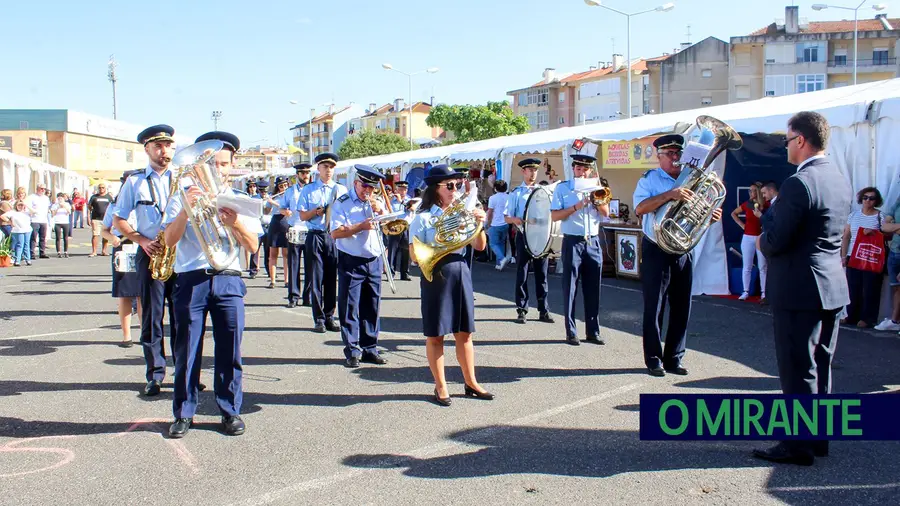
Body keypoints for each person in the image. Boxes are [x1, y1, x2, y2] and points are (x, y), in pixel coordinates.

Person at [753, 111, 851, 466]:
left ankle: (797, 445)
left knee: (797, 368)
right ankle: (817, 438)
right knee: (820, 365)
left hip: (799, 287)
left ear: (801, 141)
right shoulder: (839, 178)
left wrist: (764, 236)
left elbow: (777, 240)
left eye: (787, 139)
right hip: (831, 286)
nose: (785, 146)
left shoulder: (799, 182)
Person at [162, 131, 258, 439]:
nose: (217, 169)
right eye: (211, 163)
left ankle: (229, 410)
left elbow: (253, 246)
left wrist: (236, 223)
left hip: (228, 278)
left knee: (230, 349)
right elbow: (169, 240)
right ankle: (183, 412)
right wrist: (183, 210)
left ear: (232, 166)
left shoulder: (240, 200)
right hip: (191, 279)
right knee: (187, 349)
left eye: (223, 164)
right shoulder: (181, 195)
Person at [633, 134, 723, 377]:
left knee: (682, 306)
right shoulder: (650, 179)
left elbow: (700, 210)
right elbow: (640, 208)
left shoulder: (694, 179)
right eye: (669, 154)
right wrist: (671, 195)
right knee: (654, 307)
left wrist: (709, 215)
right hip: (656, 247)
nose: (675, 158)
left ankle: (674, 358)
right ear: (659, 156)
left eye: (677, 154)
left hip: (683, 248)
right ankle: (653, 358)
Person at [409, 164, 493, 406]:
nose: (455, 189)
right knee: (436, 334)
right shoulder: (423, 217)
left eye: (457, 185)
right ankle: (441, 386)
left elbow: (480, 247)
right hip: (435, 273)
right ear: (436, 188)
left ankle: (471, 382)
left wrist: (479, 223)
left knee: (464, 333)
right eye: (450, 186)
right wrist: (440, 239)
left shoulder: (464, 212)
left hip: (460, 271)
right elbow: (415, 255)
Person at [114, 124, 179, 397]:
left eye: (168, 146)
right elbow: (118, 218)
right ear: (147, 150)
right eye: (158, 147)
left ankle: (186, 371)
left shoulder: (184, 179)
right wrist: (139, 239)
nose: (164, 151)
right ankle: (155, 374)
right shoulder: (135, 181)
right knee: (152, 316)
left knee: (184, 318)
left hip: (181, 253)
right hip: (150, 251)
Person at [330, 165, 391, 368]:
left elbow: (390, 227)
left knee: (372, 306)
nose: (368, 191)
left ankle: (370, 348)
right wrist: (360, 227)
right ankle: (352, 350)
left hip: (374, 259)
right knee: (350, 306)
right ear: (355, 183)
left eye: (372, 188)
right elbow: (335, 233)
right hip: (352, 259)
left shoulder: (375, 202)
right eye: (365, 186)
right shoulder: (342, 203)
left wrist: (382, 212)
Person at [550, 154, 608, 344]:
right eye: (578, 169)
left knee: (593, 288)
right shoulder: (563, 187)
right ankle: (571, 331)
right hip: (572, 241)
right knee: (571, 287)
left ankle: (593, 331)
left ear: (590, 171)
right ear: (573, 169)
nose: (581, 172)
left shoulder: (597, 188)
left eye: (585, 169)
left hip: (592, 241)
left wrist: (596, 201)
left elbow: (606, 214)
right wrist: (577, 206)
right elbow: (555, 216)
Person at [298, 153, 347, 333]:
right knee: (316, 277)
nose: (328, 170)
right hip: (315, 234)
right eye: (325, 167)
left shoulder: (341, 190)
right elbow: (302, 215)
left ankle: (329, 316)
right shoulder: (309, 189)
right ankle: (318, 318)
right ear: (318, 168)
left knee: (331, 278)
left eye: (331, 167)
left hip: (332, 236)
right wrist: (316, 212)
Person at [506, 159, 554, 325]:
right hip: (524, 235)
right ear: (523, 172)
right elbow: (507, 217)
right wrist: (517, 220)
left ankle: (544, 310)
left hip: (541, 236)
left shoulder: (543, 192)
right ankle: (522, 309)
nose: (533, 173)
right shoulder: (516, 193)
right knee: (522, 273)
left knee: (542, 275)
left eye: (535, 170)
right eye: (529, 170)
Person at [101, 170, 142, 347]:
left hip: (143, 246)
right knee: (125, 294)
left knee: (143, 294)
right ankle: (126, 336)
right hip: (124, 247)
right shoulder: (114, 205)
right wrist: (112, 238)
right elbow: (104, 229)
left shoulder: (144, 202)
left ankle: (145, 333)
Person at [840, 186, 886, 329]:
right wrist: (843, 255)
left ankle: (867, 318)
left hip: (871, 257)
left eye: (871, 198)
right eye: (865, 197)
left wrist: (873, 232)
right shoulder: (853, 215)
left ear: (876, 201)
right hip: (853, 256)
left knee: (871, 288)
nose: (868, 201)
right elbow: (846, 236)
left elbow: (885, 234)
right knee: (853, 287)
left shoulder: (880, 216)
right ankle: (851, 315)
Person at [730, 182, 769, 301]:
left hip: (760, 237)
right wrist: (742, 225)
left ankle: (764, 293)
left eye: (753, 191)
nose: (751, 193)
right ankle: (745, 291)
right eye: (749, 191)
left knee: (763, 266)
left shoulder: (766, 205)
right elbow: (733, 213)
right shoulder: (748, 204)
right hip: (747, 237)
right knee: (747, 266)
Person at [281, 163, 312, 308]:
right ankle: (293, 296)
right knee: (294, 264)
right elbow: (282, 207)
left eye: (307, 173)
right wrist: (285, 212)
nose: (306, 176)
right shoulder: (290, 191)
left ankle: (308, 296)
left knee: (311, 265)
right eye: (303, 173)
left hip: (310, 230)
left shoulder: (313, 189)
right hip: (295, 228)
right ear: (297, 175)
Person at [265, 176, 291, 289]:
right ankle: (273, 280)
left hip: (285, 222)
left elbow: (288, 210)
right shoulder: (274, 196)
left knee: (286, 254)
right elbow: (266, 211)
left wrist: (274, 202)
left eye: (285, 185)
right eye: (281, 186)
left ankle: (286, 280)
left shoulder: (290, 196)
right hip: (275, 223)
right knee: (273, 254)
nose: (283, 188)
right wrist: (267, 202)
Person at [386, 181, 412, 281]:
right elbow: (387, 212)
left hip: (406, 226)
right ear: (396, 190)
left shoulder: (410, 200)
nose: (402, 191)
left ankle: (404, 273)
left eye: (404, 190)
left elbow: (412, 209)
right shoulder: (391, 201)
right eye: (400, 189)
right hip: (394, 226)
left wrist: (401, 201)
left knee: (406, 251)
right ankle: (390, 273)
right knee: (392, 251)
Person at [1, 199, 34, 266]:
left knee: (26, 244)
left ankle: (28, 259)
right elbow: (2, 216)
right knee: (20, 244)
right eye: (19, 205)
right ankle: (17, 260)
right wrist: (10, 222)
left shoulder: (26, 212)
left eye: (22, 205)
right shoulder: (13, 212)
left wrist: (26, 205)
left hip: (27, 230)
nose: (20, 206)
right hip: (18, 230)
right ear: (16, 205)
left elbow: (34, 212)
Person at [486, 179, 510, 270]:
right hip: (506, 223)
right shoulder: (508, 197)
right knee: (501, 243)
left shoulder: (493, 198)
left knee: (493, 244)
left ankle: (502, 258)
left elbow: (490, 212)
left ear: (495, 188)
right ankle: (499, 264)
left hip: (495, 224)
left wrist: (487, 222)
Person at [88, 184, 114, 257]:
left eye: (103, 187)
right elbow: (89, 207)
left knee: (105, 235)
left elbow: (112, 206)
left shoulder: (109, 197)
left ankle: (104, 251)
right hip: (96, 218)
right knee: (95, 235)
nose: (101, 189)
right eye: (99, 188)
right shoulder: (94, 197)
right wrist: (89, 218)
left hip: (106, 219)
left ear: (105, 188)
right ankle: (94, 251)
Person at [26, 183, 51, 259]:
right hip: (34, 220)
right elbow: (28, 207)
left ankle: (42, 252)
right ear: (37, 189)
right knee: (33, 237)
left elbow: (47, 208)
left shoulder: (46, 198)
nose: (43, 190)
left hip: (43, 220)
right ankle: (31, 253)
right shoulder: (32, 197)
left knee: (43, 237)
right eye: (41, 188)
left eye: (44, 189)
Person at [50, 192, 72, 258]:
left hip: (65, 222)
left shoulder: (67, 204)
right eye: (59, 198)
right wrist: (58, 207)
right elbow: (53, 214)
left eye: (61, 198)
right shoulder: (55, 205)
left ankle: (65, 251)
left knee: (66, 238)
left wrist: (64, 206)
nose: (60, 200)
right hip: (57, 222)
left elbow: (69, 212)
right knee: (58, 237)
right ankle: (58, 252)